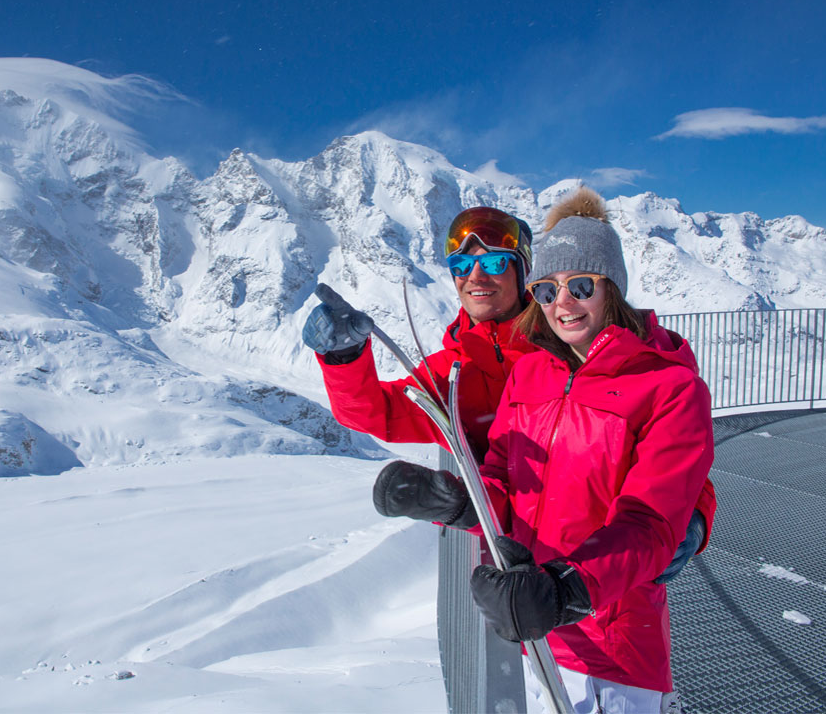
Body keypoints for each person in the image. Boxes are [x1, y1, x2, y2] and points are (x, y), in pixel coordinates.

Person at [371, 188, 715, 713]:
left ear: (612, 290)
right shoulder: (532, 373)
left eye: (580, 286)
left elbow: (650, 524)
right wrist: (457, 501)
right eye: (548, 291)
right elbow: (508, 483)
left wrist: (565, 591)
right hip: (540, 631)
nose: (563, 304)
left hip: (612, 647)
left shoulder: (669, 387)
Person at [302, 205, 713, 579]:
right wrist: (345, 359)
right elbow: (378, 412)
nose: (475, 277)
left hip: (603, 567)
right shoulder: (458, 370)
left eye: (495, 262)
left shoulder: (581, 346)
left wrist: (693, 515)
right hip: (510, 562)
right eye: (461, 265)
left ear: (524, 272)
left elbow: (668, 447)